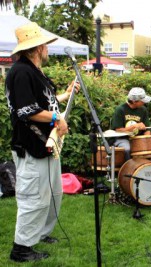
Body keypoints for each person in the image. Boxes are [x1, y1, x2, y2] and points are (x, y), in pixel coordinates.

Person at [5, 22, 80, 262]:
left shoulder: (33, 70)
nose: (48, 48)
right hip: (30, 146)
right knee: (33, 198)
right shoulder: (21, 72)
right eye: (45, 45)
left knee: (53, 193)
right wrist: (58, 118)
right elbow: (27, 110)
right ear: (37, 48)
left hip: (44, 145)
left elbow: (42, 102)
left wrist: (64, 96)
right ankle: (21, 249)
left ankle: (40, 234)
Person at [111, 87, 151, 161]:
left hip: (137, 138)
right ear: (134, 101)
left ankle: (145, 168)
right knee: (127, 148)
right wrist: (134, 126)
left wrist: (147, 140)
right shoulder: (120, 110)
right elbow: (118, 130)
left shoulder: (143, 110)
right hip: (122, 139)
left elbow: (147, 129)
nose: (144, 102)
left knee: (150, 148)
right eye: (142, 101)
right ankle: (129, 169)